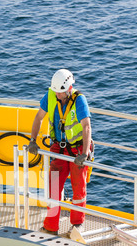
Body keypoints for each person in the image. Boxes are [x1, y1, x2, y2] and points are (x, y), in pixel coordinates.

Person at [28, 69, 92, 235]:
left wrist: (84, 154)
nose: (58, 95)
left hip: (77, 149)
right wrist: (33, 140)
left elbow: (86, 126)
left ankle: (77, 225)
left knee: (79, 188)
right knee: (53, 188)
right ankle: (51, 227)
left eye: (61, 93)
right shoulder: (50, 95)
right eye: (56, 92)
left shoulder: (80, 100)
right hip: (58, 147)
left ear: (69, 89)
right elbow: (38, 117)